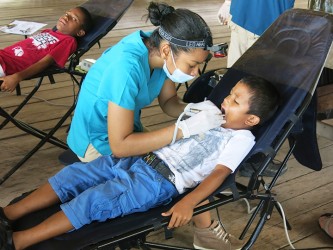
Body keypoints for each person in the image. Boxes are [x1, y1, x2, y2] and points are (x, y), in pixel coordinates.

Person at [0, 76, 281, 250]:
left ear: (251, 119)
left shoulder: (241, 138)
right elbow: (176, 127)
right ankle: (9, 214)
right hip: (141, 155)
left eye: (234, 101)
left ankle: (20, 241)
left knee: (95, 200)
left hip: (158, 181)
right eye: (229, 94)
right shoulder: (210, 115)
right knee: (75, 174)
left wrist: (189, 202)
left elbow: (219, 174)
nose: (225, 100)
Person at [65, 2, 226, 249]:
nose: (194, 74)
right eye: (191, 65)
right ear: (165, 50)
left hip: (127, 131)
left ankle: (205, 233)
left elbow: (169, 102)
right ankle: (206, 234)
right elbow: (119, 146)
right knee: (175, 171)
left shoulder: (158, 53)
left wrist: (194, 111)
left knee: (179, 162)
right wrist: (183, 130)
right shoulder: (126, 67)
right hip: (97, 140)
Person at [217, 0, 294, 177]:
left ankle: (245, 156)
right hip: (256, 20)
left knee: (248, 95)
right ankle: (242, 156)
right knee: (244, 94)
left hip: (264, 20)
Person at [0, 6, 93, 92]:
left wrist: (17, 77)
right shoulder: (48, 31)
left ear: (80, 32)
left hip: (6, 66)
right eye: (66, 14)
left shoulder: (68, 41)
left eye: (74, 19)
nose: (66, 17)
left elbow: (45, 62)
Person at [217, 0, 295, 68]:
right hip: (263, 22)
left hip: (258, 22)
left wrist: (228, 3)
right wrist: (228, 3)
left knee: (237, 75)